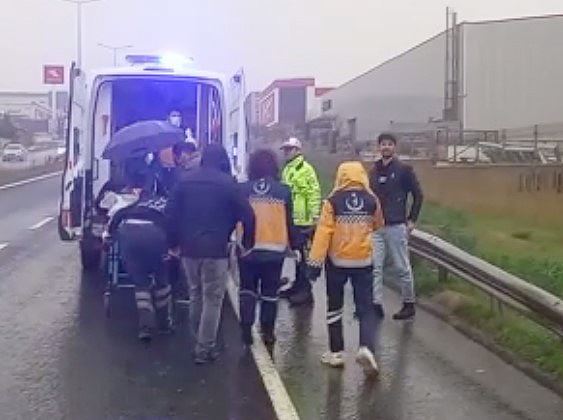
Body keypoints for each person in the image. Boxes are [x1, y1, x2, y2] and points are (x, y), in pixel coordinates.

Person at [166, 144, 255, 364]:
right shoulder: (228, 184)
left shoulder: (184, 181)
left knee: (195, 294)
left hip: (188, 249)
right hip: (216, 249)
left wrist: (173, 243)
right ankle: (204, 348)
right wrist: (247, 243)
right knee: (212, 298)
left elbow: (170, 214)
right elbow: (249, 215)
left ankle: (198, 339)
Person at [307, 161, 384, 377]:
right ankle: (366, 348)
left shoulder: (332, 202)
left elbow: (323, 233)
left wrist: (314, 263)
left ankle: (336, 352)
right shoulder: (372, 200)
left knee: (335, 306)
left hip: (337, 262)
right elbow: (378, 224)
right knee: (365, 308)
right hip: (363, 261)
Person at [105, 157, 173, 342]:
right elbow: (172, 224)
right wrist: (173, 246)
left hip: (129, 235)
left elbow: (112, 226)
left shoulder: (128, 204)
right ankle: (164, 323)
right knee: (161, 280)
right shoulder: (163, 202)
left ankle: (145, 326)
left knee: (140, 282)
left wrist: (108, 239)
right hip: (155, 236)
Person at [238, 149, 296, 347]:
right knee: (270, 292)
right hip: (274, 250)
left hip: (247, 249)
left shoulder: (242, 189)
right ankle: (268, 331)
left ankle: (246, 328)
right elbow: (289, 222)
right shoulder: (284, 191)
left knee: (247, 290)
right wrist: (296, 246)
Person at [368, 133, 423, 320]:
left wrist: (412, 219)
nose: (386, 147)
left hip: (396, 225)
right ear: (379, 147)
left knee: (401, 267)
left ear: (394, 147)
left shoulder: (404, 170)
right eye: (383, 144)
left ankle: (408, 303)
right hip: (376, 227)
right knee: (375, 267)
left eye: (389, 144)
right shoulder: (373, 171)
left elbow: (418, 195)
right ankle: (375, 305)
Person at [279, 137, 321, 306]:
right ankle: (297, 286)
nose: (286, 152)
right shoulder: (287, 169)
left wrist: (314, 217)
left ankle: (305, 291)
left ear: (297, 150)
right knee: (297, 256)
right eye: (285, 149)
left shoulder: (305, 169)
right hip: (292, 220)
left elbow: (314, 193)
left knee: (304, 257)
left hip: (304, 221)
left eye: (289, 149)